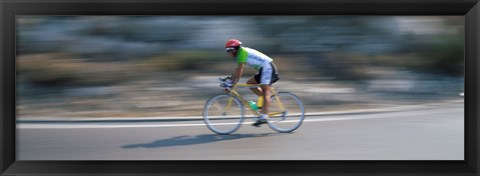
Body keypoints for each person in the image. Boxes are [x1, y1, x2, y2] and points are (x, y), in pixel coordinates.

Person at [224, 39, 279, 127]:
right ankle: (264, 104)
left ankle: (264, 116)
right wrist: (230, 80)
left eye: (228, 50)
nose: (227, 53)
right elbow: (237, 69)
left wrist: (232, 83)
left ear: (233, 49)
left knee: (265, 90)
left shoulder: (242, 53)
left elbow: (240, 70)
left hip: (268, 67)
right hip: (264, 69)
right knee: (250, 83)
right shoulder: (240, 53)